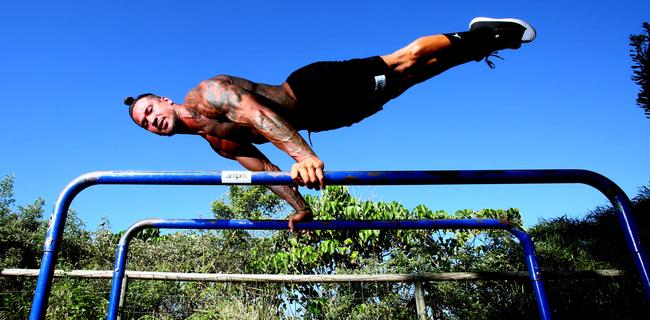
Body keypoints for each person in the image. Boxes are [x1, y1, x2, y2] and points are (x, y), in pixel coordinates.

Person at [124, 17, 536, 230]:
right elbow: (267, 172)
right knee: (408, 80)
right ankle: (479, 44)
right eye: (144, 124)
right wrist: (301, 209)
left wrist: (303, 155)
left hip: (313, 89)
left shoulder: (206, 93)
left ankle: (483, 36)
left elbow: (255, 114)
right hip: (327, 117)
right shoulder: (217, 144)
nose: (151, 120)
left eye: (149, 110)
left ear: (163, 100)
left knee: (402, 62)